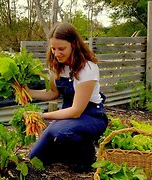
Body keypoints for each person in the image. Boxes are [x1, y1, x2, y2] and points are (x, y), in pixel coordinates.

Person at [25, 22, 109, 172]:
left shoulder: (87, 68)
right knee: (34, 157)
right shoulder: (57, 65)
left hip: (91, 116)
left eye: (61, 49)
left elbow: (76, 110)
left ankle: (88, 156)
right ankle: (67, 153)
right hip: (67, 118)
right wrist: (27, 92)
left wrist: (42, 116)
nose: (57, 53)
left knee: (61, 132)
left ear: (74, 45)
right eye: (53, 48)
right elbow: (53, 93)